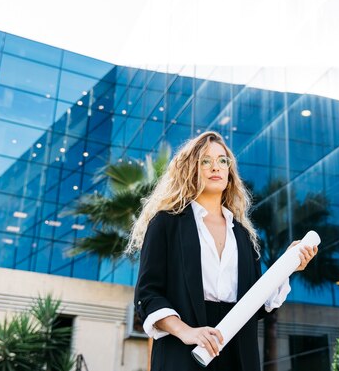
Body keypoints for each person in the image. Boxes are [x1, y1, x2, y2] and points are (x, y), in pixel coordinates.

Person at [127, 131, 318, 371]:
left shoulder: (243, 235)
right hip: (183, 353)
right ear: (190, 170)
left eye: (222, 160)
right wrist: (187, 333)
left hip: (238, 355)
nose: (215, 167)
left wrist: (288, 266)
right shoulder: (166, 223)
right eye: (205, 161)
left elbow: (256, 303)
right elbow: (148, 294)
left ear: (229, 172)